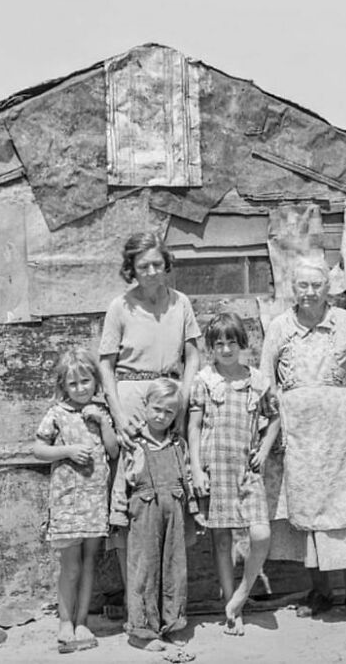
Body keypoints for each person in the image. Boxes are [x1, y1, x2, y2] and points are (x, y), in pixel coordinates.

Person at [260, 255, 346, 626]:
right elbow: (266, 381)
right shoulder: (280, 326)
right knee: (308, 514)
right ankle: (321, 592)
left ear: (328, 288)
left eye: (316, 285)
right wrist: (270, 428)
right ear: (292, 289)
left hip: (338, 430)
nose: (309, 292)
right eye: (302, 285)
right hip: (297, 434)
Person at [98, 231, 201, 601]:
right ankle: (136, 601)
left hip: (169, 402)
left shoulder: (181, 303)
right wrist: (118, 412)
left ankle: (166, 598)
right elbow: (106, 366)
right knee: (132, 500)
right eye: (144, 266)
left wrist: (183, 401)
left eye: (158, 264)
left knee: (169, 497)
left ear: (167, 265)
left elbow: (193, 357)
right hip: (132, 402)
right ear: (132, 269)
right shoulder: (119, 307)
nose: (153, 271)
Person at [189, 312, 281, 636]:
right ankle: (232, 607)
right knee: (222, 539)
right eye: (218, 343)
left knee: (261, 534)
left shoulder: (257, 380)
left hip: (247, 468)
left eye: (231, 342)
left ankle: (243, 592)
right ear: (211, 348)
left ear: (242, 343)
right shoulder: (204, 380)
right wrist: (197, 469)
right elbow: (195, 426)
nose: (226, 349)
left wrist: (265, 449)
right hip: (216, 468)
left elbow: (275, 418)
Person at [33, 347, 119, 654]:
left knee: (89, 564)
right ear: (63, 387)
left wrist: (105, 423)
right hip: (68, 502)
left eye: (86, 381)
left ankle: (83, 621)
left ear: (95, 381)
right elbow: (39, 449)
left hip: (95, 501)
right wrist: (67, 451)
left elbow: (113, 452)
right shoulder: (57, 413)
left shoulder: (102, 411)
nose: (81, 388)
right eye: (73, 384)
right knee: (70, 566)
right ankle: (64, 623)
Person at [110, 379, 203, 652]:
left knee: (175, 568)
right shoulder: (134, 444)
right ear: (146, 406)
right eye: (157, 409)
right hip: (144, 512)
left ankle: (173, 624)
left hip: (174, 511)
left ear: (176, 415)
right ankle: (142, 631)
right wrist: (118, 514)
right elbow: (120, 481)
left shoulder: (179, 444)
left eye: (169, 412)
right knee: (144, 570)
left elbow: (186, 478)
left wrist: (194, 511)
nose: (161, 416)